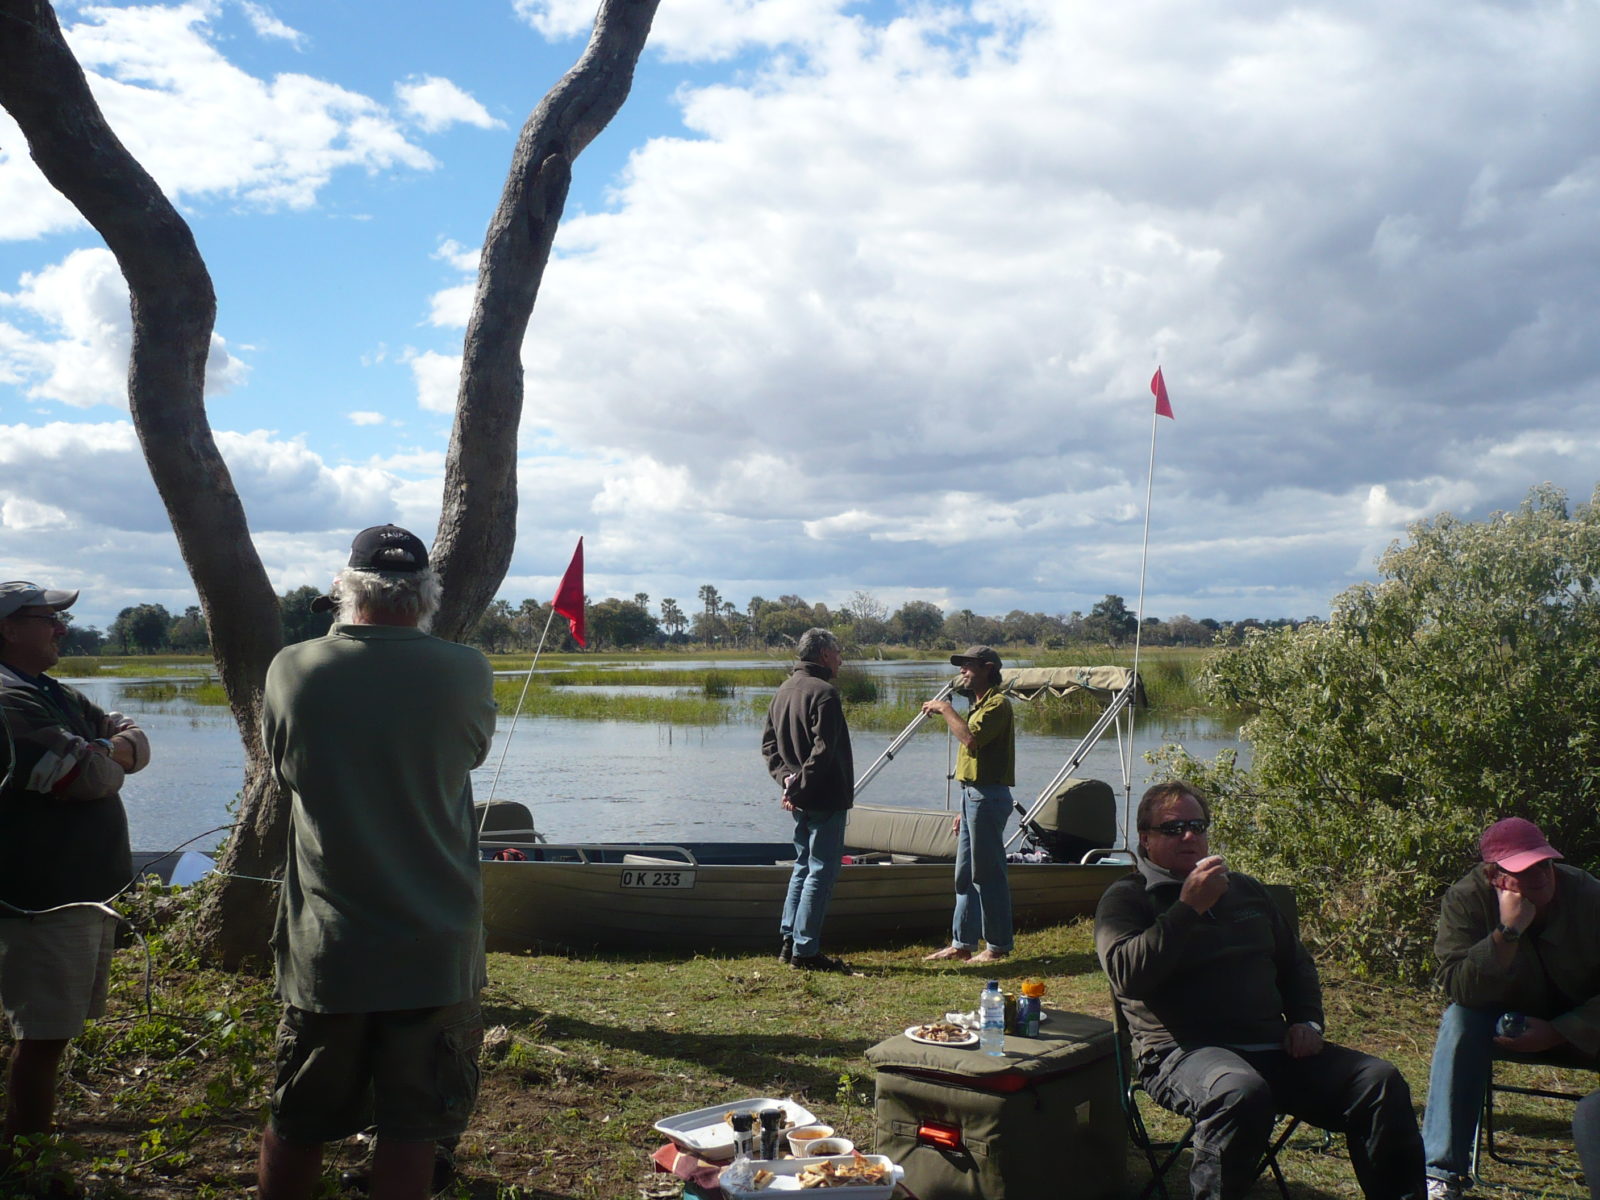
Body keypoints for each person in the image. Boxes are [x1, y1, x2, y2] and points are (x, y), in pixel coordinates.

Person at [255, 526, 497, 1200]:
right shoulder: (466, 669)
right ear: (426, 594)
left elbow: (283, 769)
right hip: (435, 945)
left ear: (344, 589)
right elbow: (471, 754)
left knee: (298, 1121)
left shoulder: (293, 668)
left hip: (330, 949)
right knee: (412, 1130)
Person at [1096, 781, 1425, 1200]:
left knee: (1379, 1082)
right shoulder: (1127, 899)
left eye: (1197, 826)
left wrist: (1307, 1021)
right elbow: (1128, 975)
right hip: (1182, 1052)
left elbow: (1296, 964)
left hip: (1273, 1047)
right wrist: (1188, 908)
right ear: (1145, 838)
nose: (1189, 836)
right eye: (1173, 828)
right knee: (1239, 1092)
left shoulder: (1245, 890)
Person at [1, 581, 150, 1165]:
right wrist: (107, 754)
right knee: (40, 1037)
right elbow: (81, 777)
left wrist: (103, 749)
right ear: (8, 628)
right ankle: (30, 1162)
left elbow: (132, 735)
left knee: (51, 1034)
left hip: (72, 894)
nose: (62, 629)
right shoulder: (9, 699)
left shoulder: (49, 692)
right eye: (49, 619)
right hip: (39, 900)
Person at [1419, 817, 1600, 1200]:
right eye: (1525, 869)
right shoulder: (1466, 900)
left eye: (1545, 864)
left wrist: (1561, 1030)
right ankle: (1441, 1173)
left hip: (1587, 1025)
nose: (1541, 876)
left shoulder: (1587, 894)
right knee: (1459, 1021)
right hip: (1505, 1025)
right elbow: (1460, 989)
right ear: (1494, 876)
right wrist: (1507, 932)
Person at [761, 628, 856, 974]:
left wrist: (788, 782)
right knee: (821, 871)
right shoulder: (825, 693)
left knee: (803, 866)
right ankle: (805, 950)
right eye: (838, 652)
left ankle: (789, 941)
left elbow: (769, 747)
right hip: (824, 797)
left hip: (800, 797)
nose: (841, 659)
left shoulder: (783, 690)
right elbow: (823, 750)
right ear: (824, 655)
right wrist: (798, 787)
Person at [921, 645, 1014, 963]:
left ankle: (997, 946)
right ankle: (962, 943)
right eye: (961, 666)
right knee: (964, 875)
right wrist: (962, 808)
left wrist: (945, 709)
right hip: (972, 796)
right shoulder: (977, 705)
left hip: (988, 796)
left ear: (988, 668)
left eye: (969, 666)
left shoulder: (998, 704)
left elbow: (971, 739)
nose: (962, 671)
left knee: (988, 874)